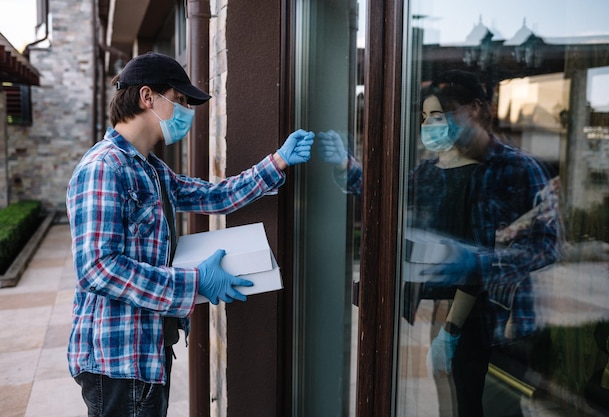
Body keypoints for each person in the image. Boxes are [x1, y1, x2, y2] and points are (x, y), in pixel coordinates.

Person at [66, 51, 314, 417]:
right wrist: (194, 282)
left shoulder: (150, 168)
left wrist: (276, 162)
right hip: (116, 359)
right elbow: (98, 269)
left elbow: (214, 196)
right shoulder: (104, 168)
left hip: (147, 350)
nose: (186, 111)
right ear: (147, 97)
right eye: (179, 100)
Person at [318, 70, 561, 417]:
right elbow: (387, 201)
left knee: (496, 407)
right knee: (450, 403)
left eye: (440, 115)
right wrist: (346, 165)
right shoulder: (430, 171)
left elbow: (549, 243)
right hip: (439, 310)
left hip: (498, 320)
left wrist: (479, 263)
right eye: (425, 118)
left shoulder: (519, 168)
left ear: (474, 109)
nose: (430, 125)